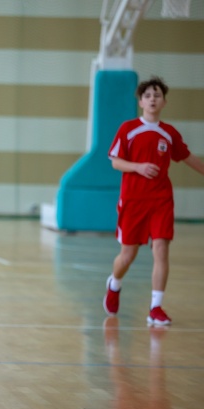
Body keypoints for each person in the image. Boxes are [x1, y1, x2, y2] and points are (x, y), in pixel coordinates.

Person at [103, 76, 204, 326]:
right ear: (140, 102)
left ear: (164, 102)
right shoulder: (128, 129)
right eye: (147, 96)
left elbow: (189, 158)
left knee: (161, 248)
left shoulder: (169, 133)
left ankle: (155, 307)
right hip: (133, 200)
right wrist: (138, 167)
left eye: (157, 95)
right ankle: (114, 284)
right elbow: (115, 162)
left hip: (161, 200)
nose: (152, 99)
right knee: (128, 255)